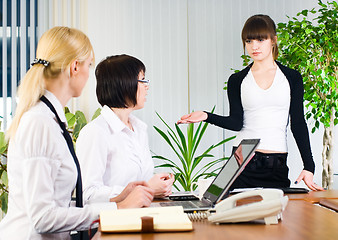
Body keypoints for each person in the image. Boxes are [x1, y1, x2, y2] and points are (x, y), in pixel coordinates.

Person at [0, 27, 154, 240]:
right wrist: (116, 209)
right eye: (89, 65)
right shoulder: (39, 123)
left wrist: (118, 198)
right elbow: (42, 217)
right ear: (75, 67)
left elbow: (59, 203)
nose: (89, 75)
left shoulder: (52, 120)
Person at [177, 15, 324, 191]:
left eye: (261, 39)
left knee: (277, 215)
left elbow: (298, 123)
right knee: (218, 204)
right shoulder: (237, 80)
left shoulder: (292, 78)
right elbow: (236, 123)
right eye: (249, 41)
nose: (254, 46)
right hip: (241, 156)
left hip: (275, 161)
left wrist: (309, 166)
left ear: (273, 40)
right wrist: (206, 116)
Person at [76, 54, 174, 204]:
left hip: (142, 215)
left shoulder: (139, 129)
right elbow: (87, 195)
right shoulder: (95, 133)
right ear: (123, 84)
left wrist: (159, 187)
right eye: (142, 80)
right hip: (113, 222)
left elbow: (140, 182)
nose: (147, 85)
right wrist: (147, 188)